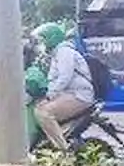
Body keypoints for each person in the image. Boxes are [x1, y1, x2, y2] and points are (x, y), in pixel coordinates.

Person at [31, 21, 96, 152]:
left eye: (43, 40)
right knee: (38, 107)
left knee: (43, 113)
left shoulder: (64, 52)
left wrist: (49, 96)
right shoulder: (56, 54)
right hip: (69, 94)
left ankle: (63, 150)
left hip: (79, 95)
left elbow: (64, 78)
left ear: (51, 38)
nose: (41, 44)